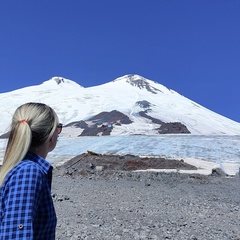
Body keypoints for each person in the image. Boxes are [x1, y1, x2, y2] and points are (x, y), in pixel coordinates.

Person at [0, 102, 62, 239]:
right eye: (58, 128)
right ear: (50, 135)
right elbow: (16, 236)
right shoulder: (28, 171)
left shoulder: (20, 168)